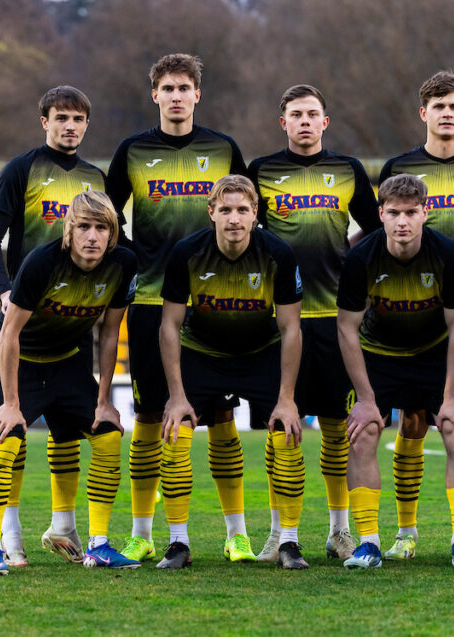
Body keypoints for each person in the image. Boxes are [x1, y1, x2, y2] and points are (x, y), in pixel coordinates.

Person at [106, 53, 247, 563]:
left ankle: (236, 535)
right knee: (148, 416)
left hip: (214, 304)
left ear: (197, 94)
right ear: (155, 95)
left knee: (222, 417)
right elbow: (107, 214)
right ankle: (143, 533)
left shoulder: (223, 149)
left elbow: (247, 214)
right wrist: (132, 257)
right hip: (150, 300)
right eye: (167, 88)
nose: (176, 96)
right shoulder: (132, 151)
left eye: (184, 87)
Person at [248, 84, 381, 562]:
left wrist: (352, 263)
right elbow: (243, 229)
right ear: (282, 122)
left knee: (336, 428)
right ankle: (279, 533)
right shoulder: (261, 171)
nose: (304, 121)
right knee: (281, 426)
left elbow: (377, 227)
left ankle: (339, 531)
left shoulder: (348, 170)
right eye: (296, 114)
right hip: (281, 320)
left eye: (312, 114)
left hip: (335, 319)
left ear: (325, 122)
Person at [378, 71, 454, 561]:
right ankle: (405, 532)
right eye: (437, 106)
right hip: (416, 316)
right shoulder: (400, 167)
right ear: (423, 113)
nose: (446, 113)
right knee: (411, 420)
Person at [0, 191, 138, 575]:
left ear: (113, 233)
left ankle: (99, 545)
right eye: (84, 227)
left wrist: (104, 400)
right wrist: (11, 405)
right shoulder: (42, 262)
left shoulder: (124, 263)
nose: (92, 236)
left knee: (107, 434)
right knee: (8, 437)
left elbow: (110, 333)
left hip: (65, 359)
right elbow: (10, 333)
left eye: (102, 228)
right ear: (68, 230)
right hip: (14, 356)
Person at [0, 86, 105, 568]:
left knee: (69, 430)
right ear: (44, 121)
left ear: (87, 124)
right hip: (23, 324)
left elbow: (112, 238)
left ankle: (63, 527)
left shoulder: (95, 178)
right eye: (61, 117)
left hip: (70, 328)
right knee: (10, 434)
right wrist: (5, 291)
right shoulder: (22, 169)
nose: (70, 126)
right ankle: (8, 537)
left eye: (78, 118)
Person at [157, 175, 305, 569]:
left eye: (242, 210)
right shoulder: (187, 253)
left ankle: (289, 543)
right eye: (225, 210)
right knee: (175, 432)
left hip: (260, 354)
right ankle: (178, 544)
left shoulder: (278, 253)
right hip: (202, 354)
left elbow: (291, 327)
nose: (234, 218)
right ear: (211, 213)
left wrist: (287, 398)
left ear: (255, 213)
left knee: (287, 433)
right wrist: (176, 396)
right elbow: (169, 325)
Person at [336, 174, 454, 570]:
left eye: (411, 212)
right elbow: (346, 328)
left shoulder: (448, 253)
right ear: (380, 213)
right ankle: (368, 544)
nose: (403, 221)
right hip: (379, 356)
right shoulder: (360, 258)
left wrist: (452, 397)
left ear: (425, 213)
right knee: (363, 431)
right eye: (395, 213)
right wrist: (366, 399)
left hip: (434, 355)